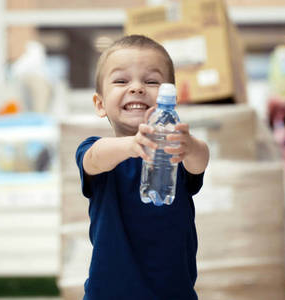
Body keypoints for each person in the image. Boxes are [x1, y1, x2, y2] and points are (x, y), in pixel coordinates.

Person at [75, 34, 209, 300]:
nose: (137, 88)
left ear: (171, 98)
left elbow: (201, 159)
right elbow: (93, 158)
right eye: (121, 81)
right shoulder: (97, 151)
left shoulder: (176, 153)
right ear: (100, 104)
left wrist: (189, 145)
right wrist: (132, 145)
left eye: (151, 81)